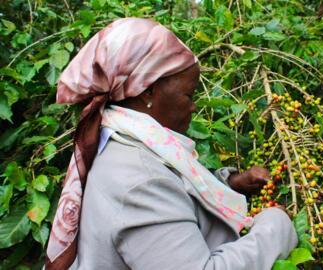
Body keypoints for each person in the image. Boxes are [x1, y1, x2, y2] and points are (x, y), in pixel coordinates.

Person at [45, 18, 297, 270]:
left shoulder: (117, 138)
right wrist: (275, 226)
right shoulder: (141, 180)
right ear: (147, 92)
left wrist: (229, 184)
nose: (193, 106)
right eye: (188, 95)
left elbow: (168, 201)